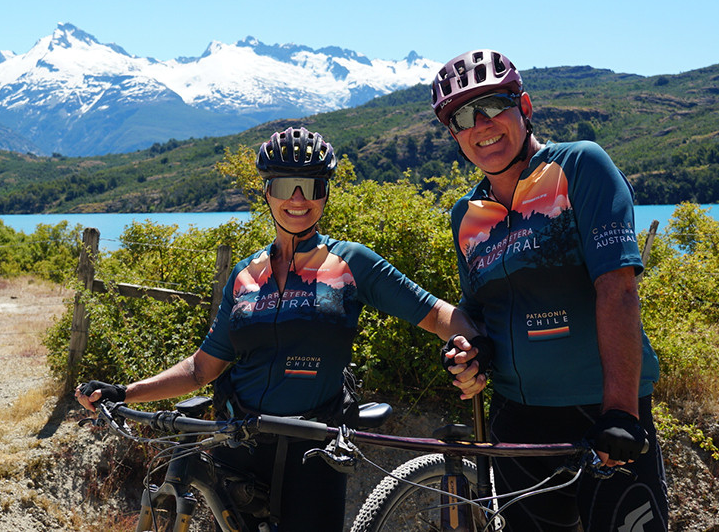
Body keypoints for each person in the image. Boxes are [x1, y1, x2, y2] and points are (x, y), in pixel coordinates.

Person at [76, 126, 481, 532]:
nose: (298, 198)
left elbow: (438, 314)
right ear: (267, 192)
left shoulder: (350, 263)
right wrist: (125, 392)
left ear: (325, 192)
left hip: (313, 454)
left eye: (311, 185)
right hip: (238, 450)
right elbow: (202, 369)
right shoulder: (245, 276)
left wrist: (471, 348)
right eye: (286, 184)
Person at [433, 50, 668, 531]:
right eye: (461, 117)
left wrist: (621, 409)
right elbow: (479, 313)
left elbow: (618, 288)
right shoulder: (466, 216)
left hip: (600, 412)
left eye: (494, 105)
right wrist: (469, 350)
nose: (481, 124)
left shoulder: (580, 166)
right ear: (453, 134)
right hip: (518, 425)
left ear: (525, 106)